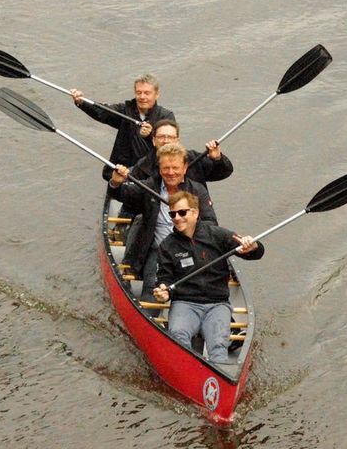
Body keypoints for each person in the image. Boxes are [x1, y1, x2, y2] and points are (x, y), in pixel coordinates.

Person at [153, 191, 264, 362]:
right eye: (172, 214)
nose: (177, 218)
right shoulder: (167, 245)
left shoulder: (217, 235)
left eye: (182, 212)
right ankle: (187, 371)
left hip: (217, 303)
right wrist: (163, 291)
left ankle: (217, 376)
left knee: (219, 346)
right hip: (185, 302)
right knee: (178, 337)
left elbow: (256, 253)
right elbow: (164, 278)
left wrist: (253, 246)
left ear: (195, 213)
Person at [108, 143, 217, 306]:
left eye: (175, 167)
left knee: (205, 289)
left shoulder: (197, 190)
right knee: (152, 290)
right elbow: (123, 194)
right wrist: (115, 183)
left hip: (191, 251)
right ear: (159, 168)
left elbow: (211, 223)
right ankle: (149, 315)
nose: (171, 173)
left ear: (185, 168)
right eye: (166, 168)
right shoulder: (149, 187)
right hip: (159, 252)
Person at [71, 74, 175, 180]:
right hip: (121, 172)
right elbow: (102, 111)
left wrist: (150, 136)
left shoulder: (166, 116)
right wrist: (82, 102)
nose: (142, 97)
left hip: (151, 176)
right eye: (139, 93)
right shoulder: (125, 110)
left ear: (156, 95)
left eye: (147, 93)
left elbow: (170, 147)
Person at [129, 119, 234, 188]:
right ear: (153, 140)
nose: (166, 141)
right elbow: (131, 196)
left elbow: (223, 173)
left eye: (170, 137)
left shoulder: (194, 159)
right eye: (161, 137)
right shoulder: (143, 166)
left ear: (177, 140)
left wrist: (217, 159)